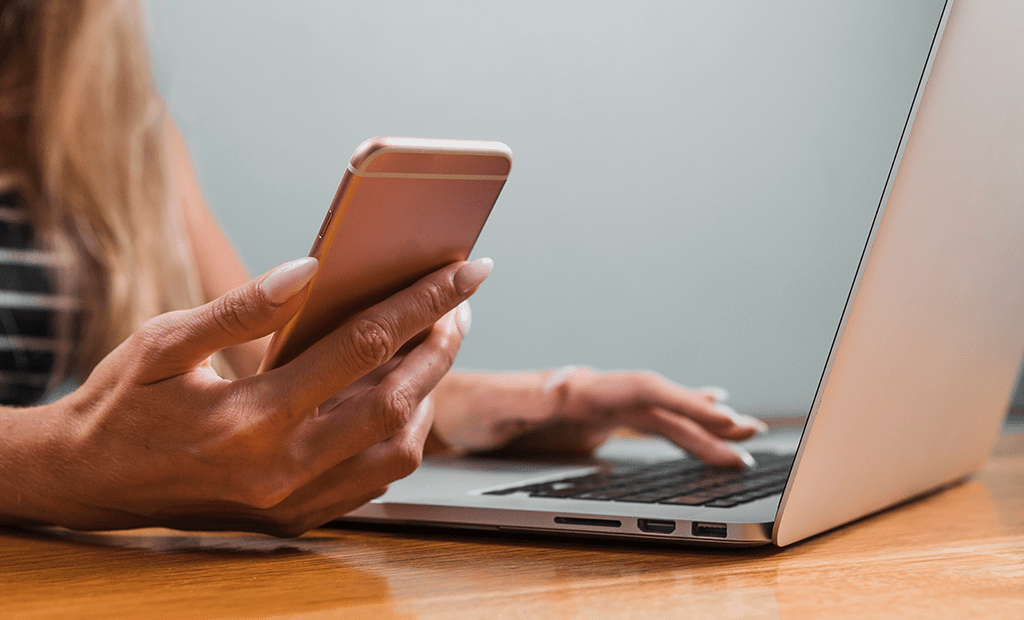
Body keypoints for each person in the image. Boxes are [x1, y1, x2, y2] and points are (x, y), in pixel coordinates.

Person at [0, 0, 766, 537]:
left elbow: (262, 377)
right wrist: (59, 463)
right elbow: (89, 450)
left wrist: (489, 404)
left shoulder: (120, 123)